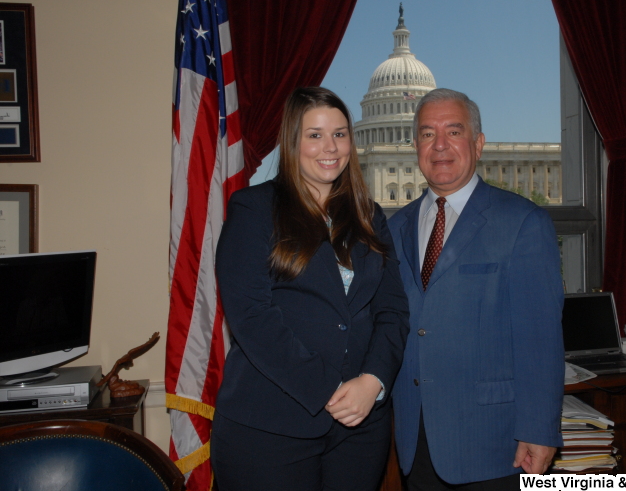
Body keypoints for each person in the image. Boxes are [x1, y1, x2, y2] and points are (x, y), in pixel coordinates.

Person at [211, 87, 410, 491]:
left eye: (339, 133)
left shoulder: (369, 214)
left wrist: (374, 380)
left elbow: (392, 309)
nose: (330, 147)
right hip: (270, 427)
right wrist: (329, 389)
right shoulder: (253, 209)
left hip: (360, 426)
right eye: (314, 134)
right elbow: (251, 317)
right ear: (292, 141)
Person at [388, 88, 564, 489]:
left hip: (495, 443)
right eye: (428, 134)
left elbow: (540, 339)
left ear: (479, 143)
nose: (441, 146)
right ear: (415, 145)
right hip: (417, 439)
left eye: (454, 131)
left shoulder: (523, 222)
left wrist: (539, 429)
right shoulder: (394, 228)